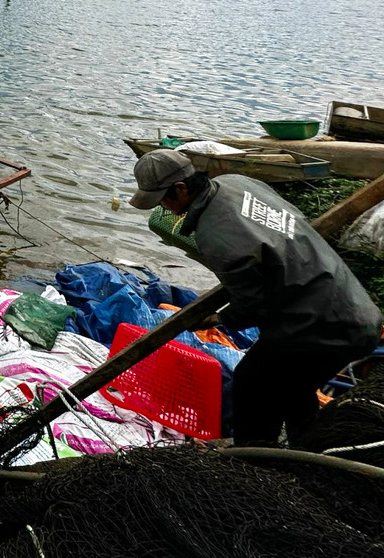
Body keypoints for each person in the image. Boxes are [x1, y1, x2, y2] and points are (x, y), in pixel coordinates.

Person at [130, 149, 382, 446]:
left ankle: (254, 460)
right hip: (353, 307)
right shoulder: (238, 182)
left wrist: (220, 318)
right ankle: (308, 450)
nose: (163, 207)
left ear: (181, 189)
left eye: (162, 199)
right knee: (295, 388)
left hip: (322, 324)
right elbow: (291, 223)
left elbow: (257, 305)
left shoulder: (214, 235)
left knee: (253, 384)